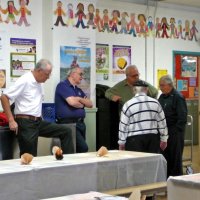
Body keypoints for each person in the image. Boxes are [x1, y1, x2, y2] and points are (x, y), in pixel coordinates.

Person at [0, 59, 74, 157]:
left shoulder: (39, 82)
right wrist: (11, 120)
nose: (48, 77)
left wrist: (40, 116)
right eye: (47, 74)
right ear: (39, 71)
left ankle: (69, 163)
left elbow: (36, 103)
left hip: (38, 122)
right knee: (30, 156)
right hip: (25, 123)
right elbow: (4, 97)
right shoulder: (25, 80)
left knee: (66, 131)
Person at [118, 80, 168, 153]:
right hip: (152, 139)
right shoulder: (155, 103)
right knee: (151, 163)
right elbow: (162, 122)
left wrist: (121, 142)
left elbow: (123, 125)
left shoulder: (128, 104)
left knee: (136, 163)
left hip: (134, 140)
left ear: (134, 90)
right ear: (146, 90)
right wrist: (164, 139)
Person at [55, 67, 93, 153]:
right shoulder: (62, 85)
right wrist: (82, 103)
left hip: (80, 124)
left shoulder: (78, 90)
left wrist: (79, 98)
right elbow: (72, 102)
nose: (82, 77)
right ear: (72, 74)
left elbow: (90, 104)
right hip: (68, 123)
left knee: (79, 151)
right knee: (83, 148)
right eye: (80, 74)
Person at [158, 75, 188, 178]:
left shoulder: (178, 97)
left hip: (175, 132)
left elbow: (182, 117)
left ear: (169, 85)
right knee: (165, 157)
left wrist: (176, 131)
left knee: (175, 158)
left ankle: (177, 181)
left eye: (162, 85)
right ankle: (166, 180)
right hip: (163, 132)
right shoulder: (162, 97)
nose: (160, 87)